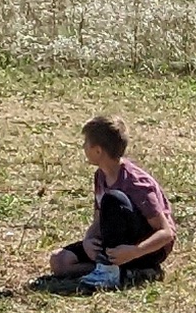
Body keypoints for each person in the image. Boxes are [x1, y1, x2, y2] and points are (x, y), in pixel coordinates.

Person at [49, 117, 178, 290]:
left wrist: (134, 251)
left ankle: (111, 271)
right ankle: (129, 272)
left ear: (98, 151)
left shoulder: (136, 183)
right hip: (114, 244)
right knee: (60, 262)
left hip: (146, 248)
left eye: (86, 143)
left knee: (113, 199)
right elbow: (98, 221)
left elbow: (166, 233)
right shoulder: (100, 176)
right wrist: (88, 241)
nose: (83, 147)